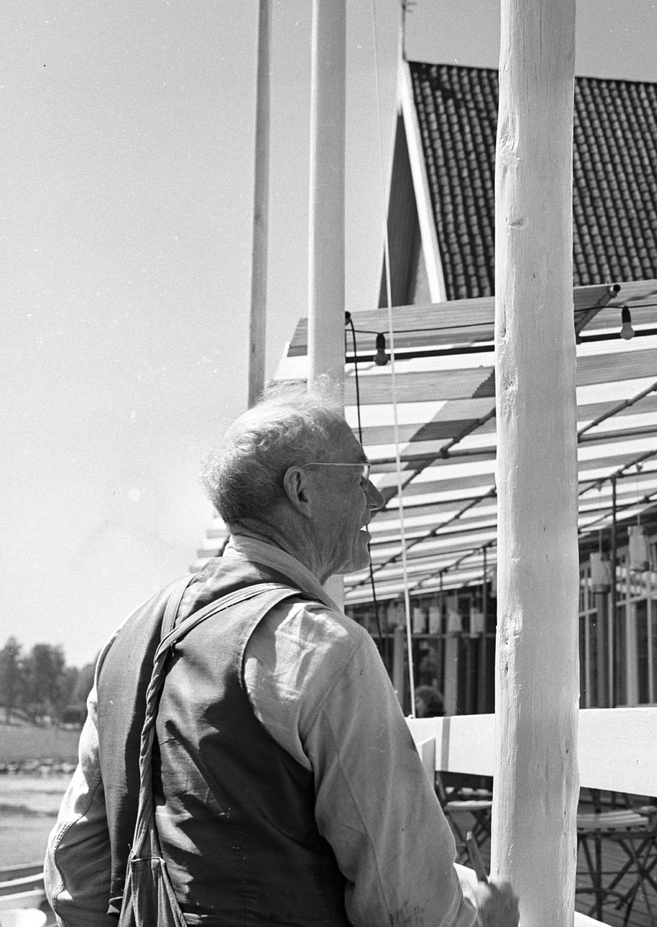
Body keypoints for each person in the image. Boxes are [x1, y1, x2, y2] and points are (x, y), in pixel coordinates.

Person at [45, 382, 519, 927]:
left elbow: (74, 873)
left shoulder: (125, 642)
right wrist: (483, 916)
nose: (377, 499)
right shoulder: (323, 650)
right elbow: (405, 908)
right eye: (358, 477)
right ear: (301, 490)